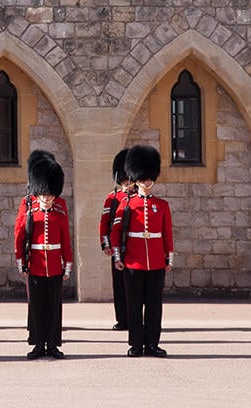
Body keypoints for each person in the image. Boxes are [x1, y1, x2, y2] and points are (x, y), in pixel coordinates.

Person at [111, 144, 174, 358]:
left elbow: (167, 233)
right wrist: (118, 256)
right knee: (135, 305)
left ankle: (153, 343)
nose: (147, 182)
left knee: (154, 306)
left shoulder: (162, 205)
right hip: (133, 261)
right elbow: (115, 232)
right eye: (143, 179)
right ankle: (136, 344)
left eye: (149, 178)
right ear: (136, 179)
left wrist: (169, 257)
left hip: (156, 261)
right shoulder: (126, 204)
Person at [14, 153, 72, 360]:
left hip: (55, 265)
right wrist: (21, 261)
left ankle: (53, 344)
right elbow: (20, 235)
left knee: (54, 306)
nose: (47, 197)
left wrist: (68, 265)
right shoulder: (30, 209)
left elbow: (65, 240)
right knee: (37, 306)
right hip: (36, 264)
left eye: (50, 193)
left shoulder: (59, 211)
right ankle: (38, 343)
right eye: (44, 193)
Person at [100, 148, 131, 331]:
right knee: (119, 286)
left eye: (129, 179)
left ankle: (135, 318)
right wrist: (106, 243)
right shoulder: (112, 198)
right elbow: (105, 223)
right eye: (124, 180)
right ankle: (122, 319)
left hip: (135, 247)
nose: (127, 183)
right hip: (118, 247)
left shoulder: (137, 198)